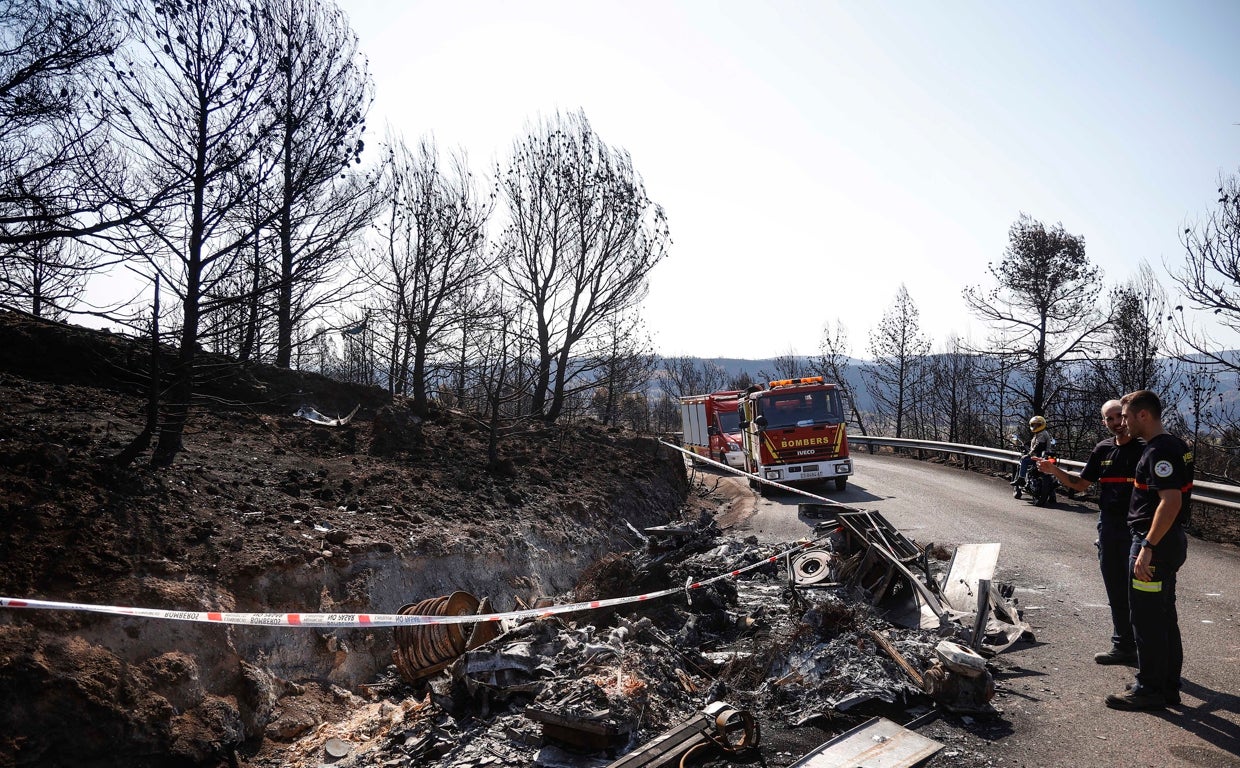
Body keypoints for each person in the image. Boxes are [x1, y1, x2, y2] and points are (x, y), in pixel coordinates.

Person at [1034, 400, 1142, 665]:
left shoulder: (1145, 448)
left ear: (1128, 417)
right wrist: (1053, 470)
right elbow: (1081, 484)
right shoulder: (1103, 449)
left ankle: (1149, 651)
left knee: (1140, 593)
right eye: (1110, 419)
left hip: (1139, 528)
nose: (1116, 423)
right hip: (1109, 526)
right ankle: (1123, 646)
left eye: (1120, 417)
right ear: (1104, 422)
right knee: (1115, 589)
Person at [1104, 390, 1194, 711]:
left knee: (1146, 618)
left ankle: (1150, 688)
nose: (1123, 422)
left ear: (1144, 415)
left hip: (1156, 544)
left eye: (1126, 416)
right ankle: (1167, 685)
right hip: (1166, 542)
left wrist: (1147, 546)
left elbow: (1171, 502)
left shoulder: (1160, 451)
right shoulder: (1175, 444)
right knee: (1164, 615)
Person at [1011, 415, 1051, 491]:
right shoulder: (1040, 433)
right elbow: (1033, 442)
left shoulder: (1042, 434)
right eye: (1034, 425)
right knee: (1048, 474)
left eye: (1037, 425)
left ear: (1041, 425)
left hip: (1039, 456)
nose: (1035, 426)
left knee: (1024, 460)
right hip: (1044, 455)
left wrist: (1029, 454)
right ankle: (1052, 495)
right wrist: (1025, 444)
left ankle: (1021, 479)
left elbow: (1038, 445)